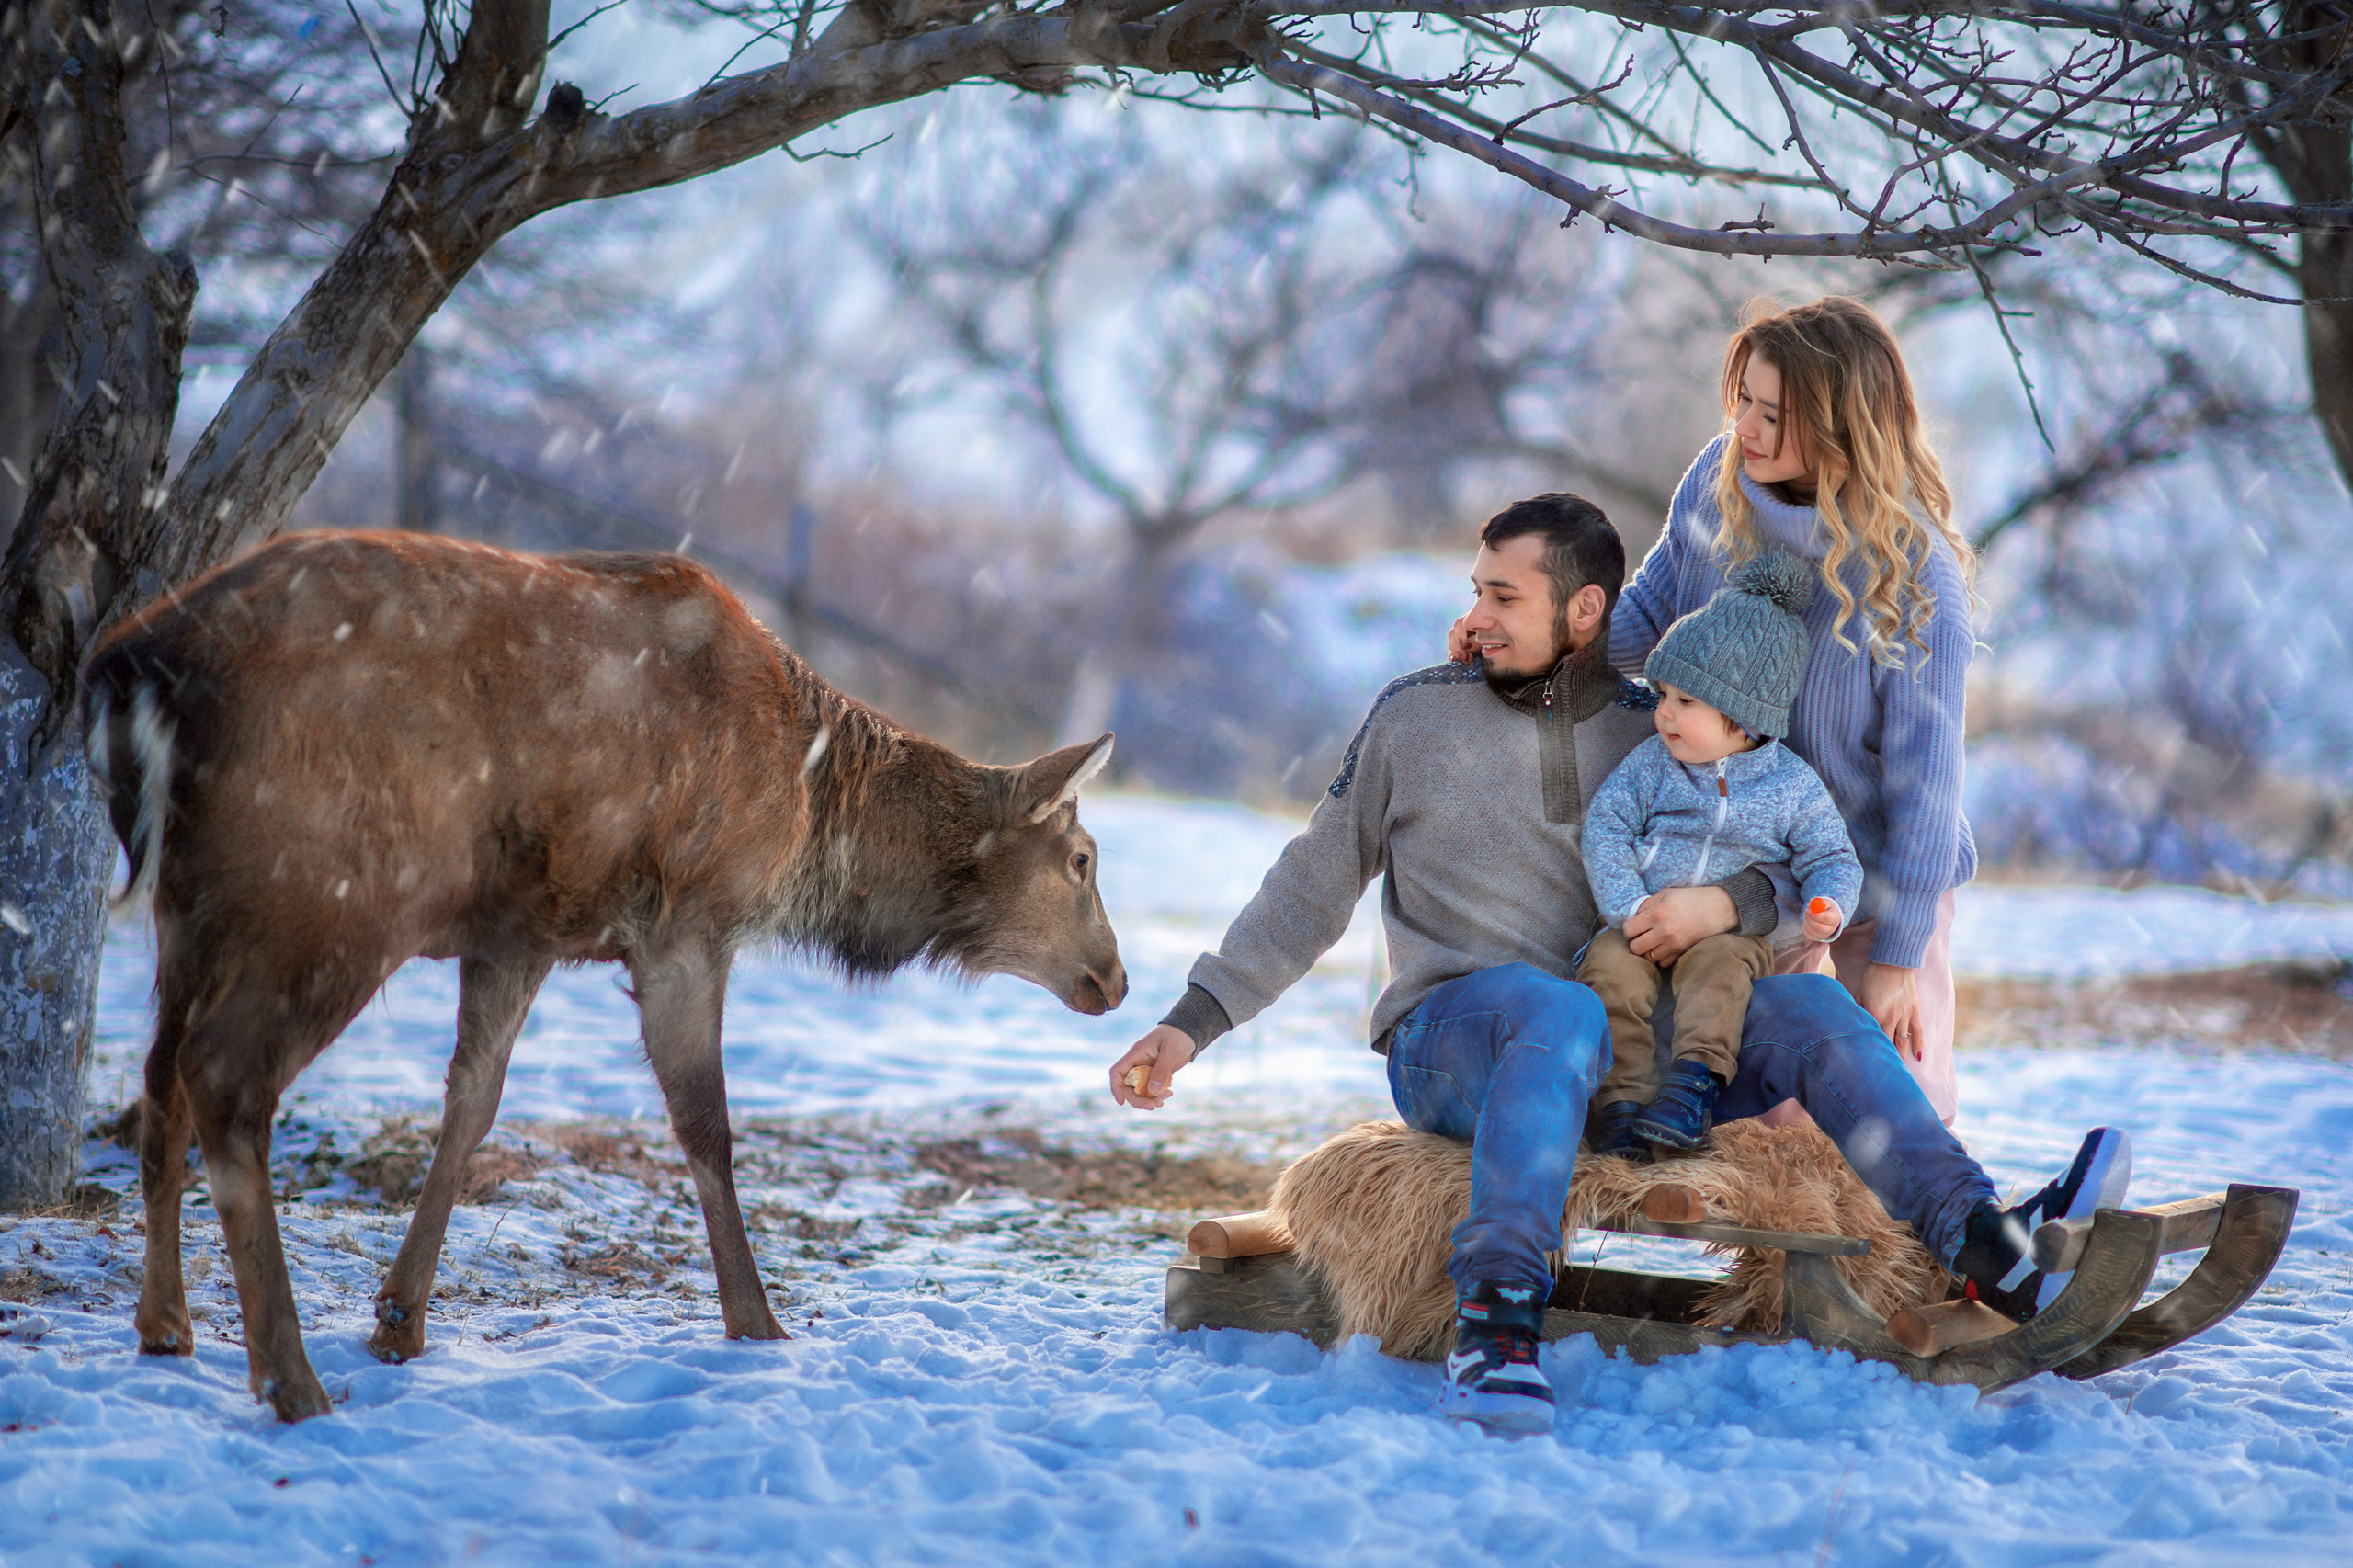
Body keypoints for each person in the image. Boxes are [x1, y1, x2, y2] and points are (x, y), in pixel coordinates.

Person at [1111, 493, 2127, 1439]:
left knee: (1810, 1012)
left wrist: (1729, 902)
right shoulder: (1414, 717)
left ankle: (1985, 1239)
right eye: (1477, 592)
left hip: (1626, 1050)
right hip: (1453, 1044)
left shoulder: (1662, 727)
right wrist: (1191, 1018)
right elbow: (1309, 883)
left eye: (1503, 595)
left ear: (1585, 608)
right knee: (1551, 1006)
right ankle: (1497, 1321)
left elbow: (1775, 859)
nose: (1479, 614)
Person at [1579, 551, 1863, 1157]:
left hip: (1726, 937)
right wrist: (1628, 908)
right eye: (1663, 694)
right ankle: (1621, 1106)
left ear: (1745, 722)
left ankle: (1691, 1088)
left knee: (1723, 974)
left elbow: (1833, 857)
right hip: (1639, 926)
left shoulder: (1791, 785)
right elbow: (1606, 826)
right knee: (1608, 974)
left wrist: (1829, 907)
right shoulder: (1652, 766)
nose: (1664, 713)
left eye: (1687, 702)